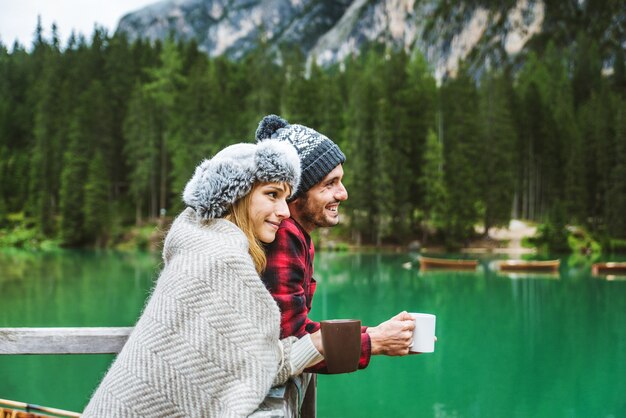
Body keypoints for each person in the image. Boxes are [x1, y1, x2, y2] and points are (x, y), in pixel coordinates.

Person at [83, 139, 324, 417]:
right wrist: (316, 346)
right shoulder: (220, 260)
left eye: (286, 197)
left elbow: (240, 361)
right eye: (272, 194)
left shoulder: (199, 245)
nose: (284, 211)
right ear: (237, 195)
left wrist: (315, 345)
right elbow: (256, 365)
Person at [255, 115, 415, 373]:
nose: (343, 193)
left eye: (340, 181)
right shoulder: (283, 235)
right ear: (295, 193)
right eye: (329, 184)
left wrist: (378, 332)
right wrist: (374, 343)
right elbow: (292, 345)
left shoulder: (297, 234)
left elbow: (304, 331)